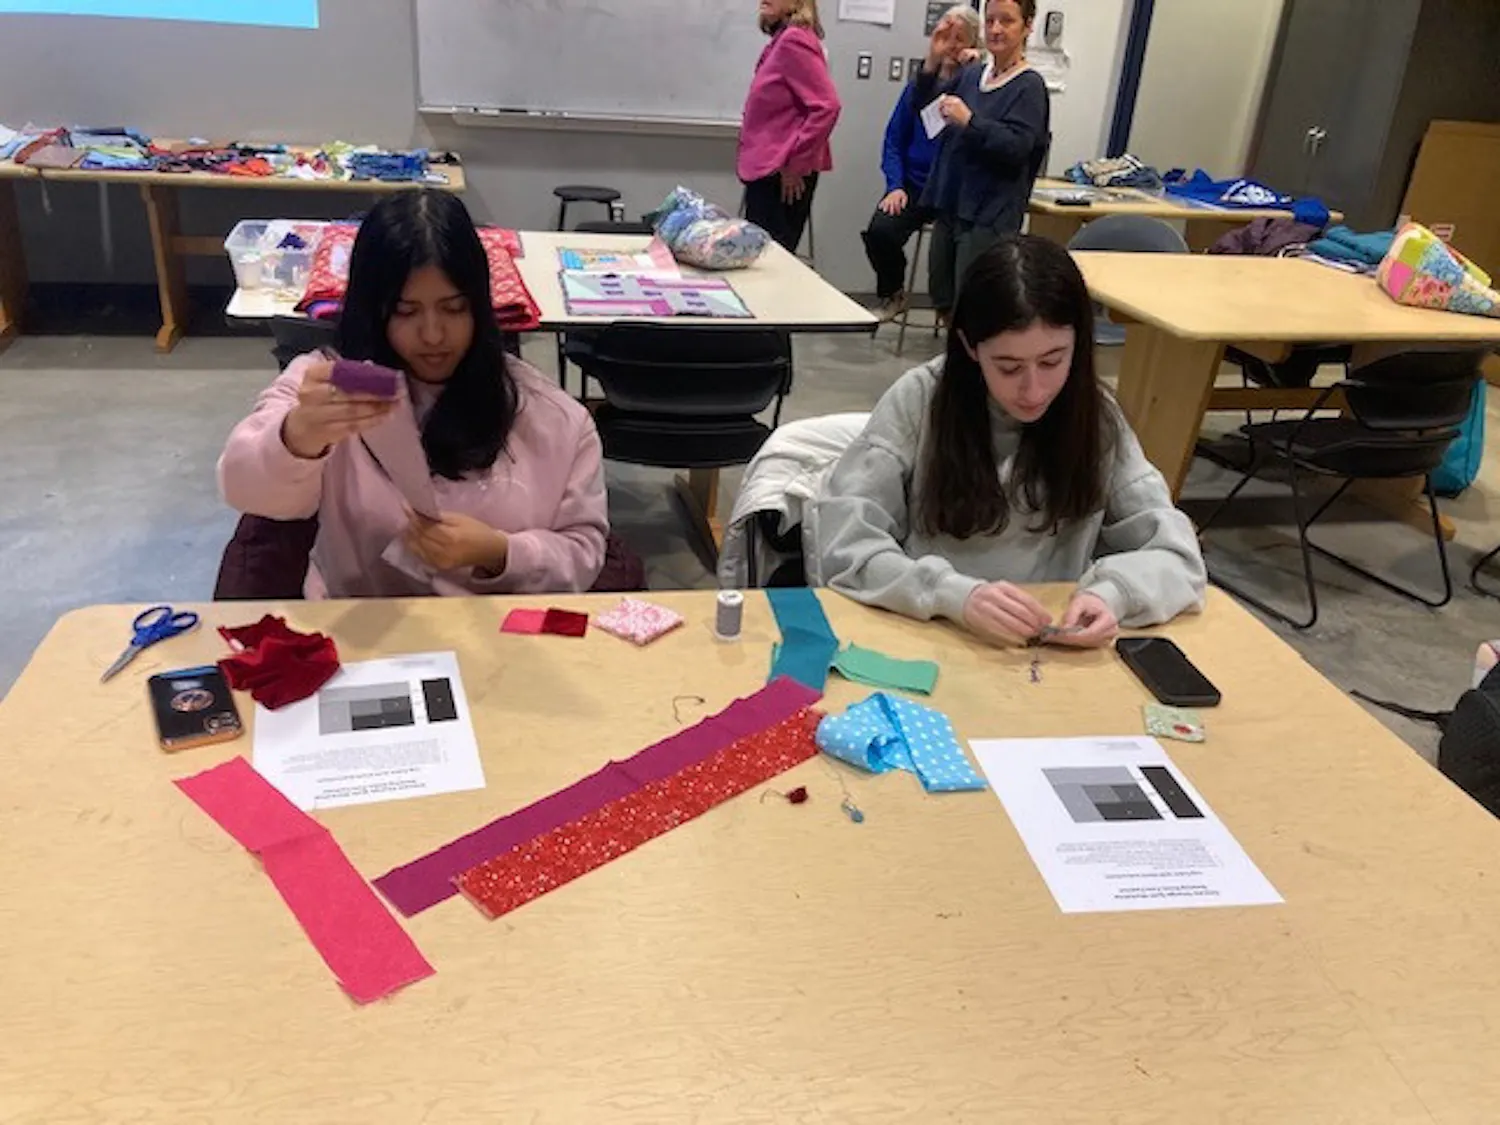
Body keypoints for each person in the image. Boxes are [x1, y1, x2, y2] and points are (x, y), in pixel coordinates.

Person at [811, 235, 1206, 648]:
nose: (1033, 390)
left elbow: (1177, 555)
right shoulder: (920, 400)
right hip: (929, 636)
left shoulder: (1096, 417)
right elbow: (844, 544)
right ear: (969, 347)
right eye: (1008, 366)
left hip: (1048, 650)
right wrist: (952, 595)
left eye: (1053, 361)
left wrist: (1114, 593)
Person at [219, 191, 608, 599]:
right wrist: (296, 437)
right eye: (406, 312)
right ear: (374, 309)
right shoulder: (332, 387)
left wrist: (501, 552)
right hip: (363, 635)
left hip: (498, 637)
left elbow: (584, 551)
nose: (434, 335)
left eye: (454, 309)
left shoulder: (550, 415)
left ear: (480, 307)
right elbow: (243, 488)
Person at [918, 0, 1050, 324]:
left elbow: (1018, 146)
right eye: (990, 21)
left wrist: (971, 121)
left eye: (1006, 21)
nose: (996, 29)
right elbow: (927, 110)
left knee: (974, 303)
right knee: (943, 296)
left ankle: (973, 370)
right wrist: (934, 60)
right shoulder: (973, 75)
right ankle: (956, 362)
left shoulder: (1029, 86)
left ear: (1027, 25)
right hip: (952, 203)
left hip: (989, 214)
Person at [861, 5, 982, 321]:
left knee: (953, 254)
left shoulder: (976, 86)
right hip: (915, 186)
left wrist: (974, 69)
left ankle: (952, 315)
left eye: (961, 39)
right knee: (880, 231)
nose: (953, 46)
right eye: (947, 37)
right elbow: (893, 141)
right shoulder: (920, 86)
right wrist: (895, 185)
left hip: (950, 191)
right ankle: (893, 292)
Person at [739, 0, 842, 253]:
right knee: (759, 260)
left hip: (782, 172)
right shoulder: (780, 41)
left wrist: (796, 165)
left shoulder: (795, 40)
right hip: (767, 167)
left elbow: (827, 106)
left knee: (771, 263)